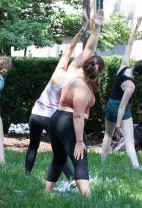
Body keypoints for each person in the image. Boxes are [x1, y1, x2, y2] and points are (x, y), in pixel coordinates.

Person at [24, 11, 103, 176]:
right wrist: (95, 30)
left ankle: (27, 174)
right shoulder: (72, 77)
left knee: (33, 146)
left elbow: (70, 49)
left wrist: (81, 31)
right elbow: (88, 50)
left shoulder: (58, 71)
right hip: (51, 117)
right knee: (60, 154)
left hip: (35, 113)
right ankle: (70, 178)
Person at [45, 53, 105, 197]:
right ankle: (87, 199)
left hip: (56, 119)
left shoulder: (75, 74)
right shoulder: (82, 88)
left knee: (59, 158)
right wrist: (79, 141)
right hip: (68, 123)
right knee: (80, 160)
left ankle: (46, 194)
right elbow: (78, 116)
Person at [100, 16, 142, 169]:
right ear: (141, 74)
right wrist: (119, 125)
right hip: (120, 108)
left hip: (110, 104)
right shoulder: (130, 86)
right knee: (129, 140)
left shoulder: (123, 67)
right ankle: (136, 166)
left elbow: (129, 45)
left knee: (107, 134)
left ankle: (102, 162)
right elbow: (122, 106)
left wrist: (135, 28)